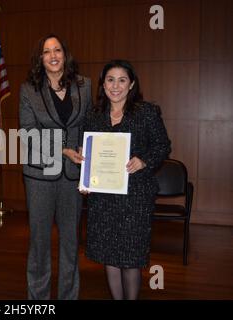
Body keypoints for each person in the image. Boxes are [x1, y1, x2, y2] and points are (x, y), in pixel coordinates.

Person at [82, 60, 171, 300]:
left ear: (131, 84)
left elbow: (163, 146)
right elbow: (87, 151)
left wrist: (143, 160)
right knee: (109, 256)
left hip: (136, 196)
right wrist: (87, 178)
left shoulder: (147, 112)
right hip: (103, 197)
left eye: (122, 80)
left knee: (131, 256)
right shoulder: (93, 115)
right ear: (103, 84)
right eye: (110, 79)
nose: (115, 86)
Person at [19, 34, 92, 300]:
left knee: (71, 243)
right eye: (47, 51)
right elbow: (27, 132)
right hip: (39, 175)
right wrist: (62, 150)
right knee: (39, 243)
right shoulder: (29, 89)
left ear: (65, 54)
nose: (53, 55)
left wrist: (87, 149)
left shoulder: (84, 85)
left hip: (73, 175)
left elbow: (89, 125)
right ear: (41, 58)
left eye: (57, 49)